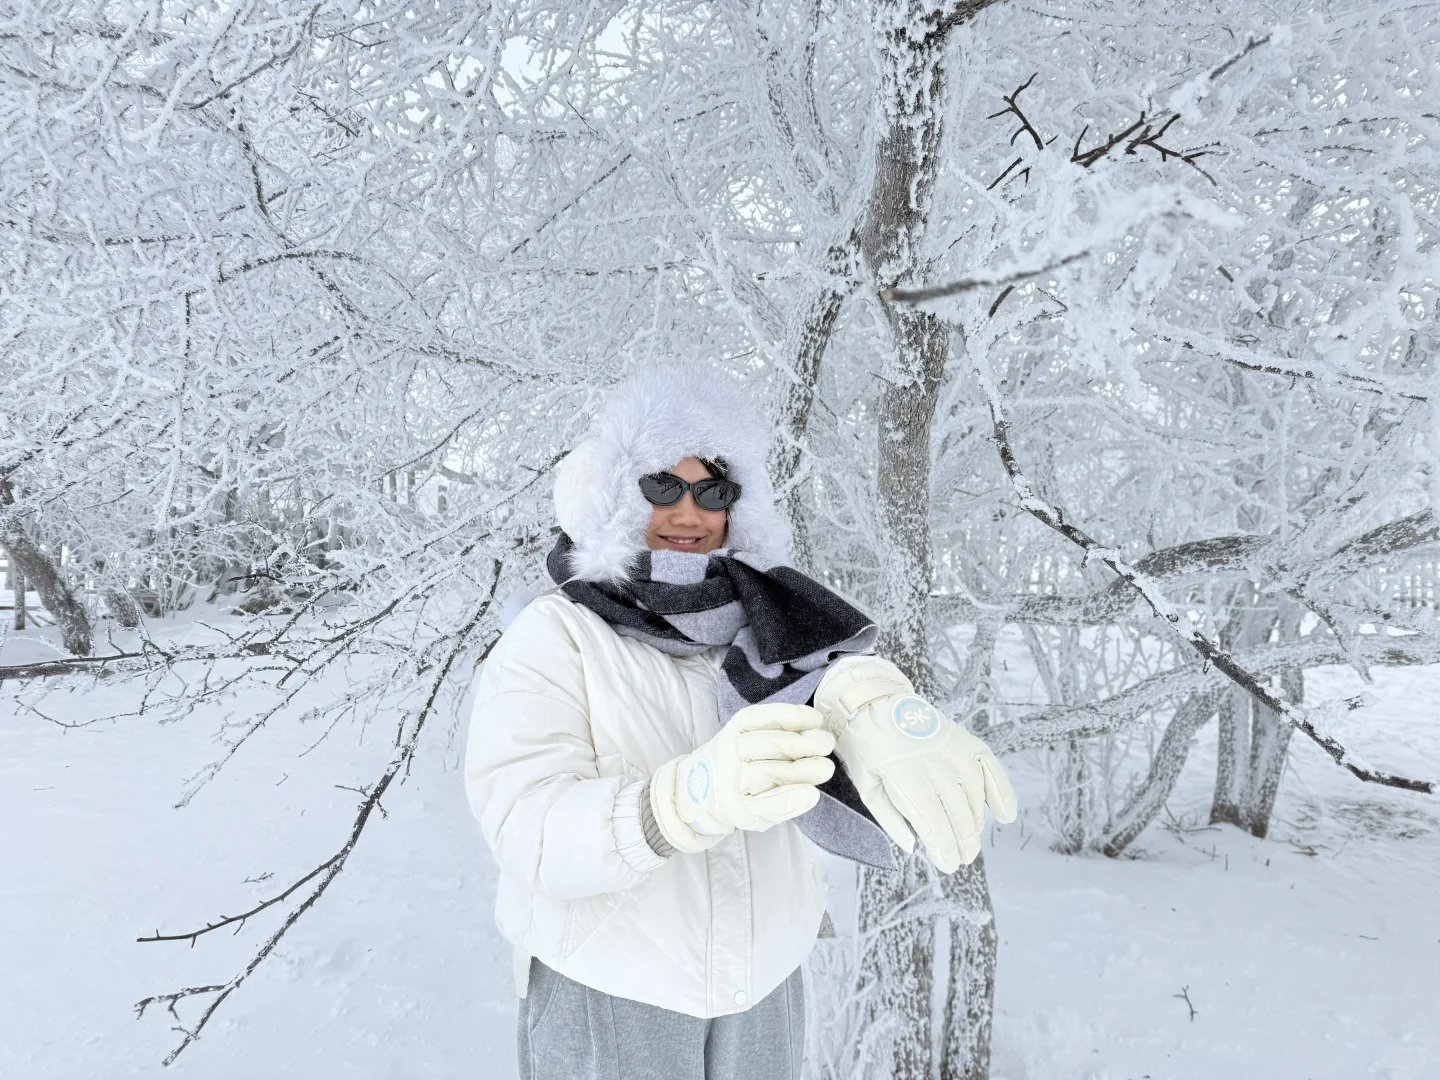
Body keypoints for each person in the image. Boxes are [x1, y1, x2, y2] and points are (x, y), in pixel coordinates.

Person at [464, 363, 1016, 1080]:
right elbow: (527, 826)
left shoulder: (773, 622)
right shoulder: (556, 635)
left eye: (712, 490)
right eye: (662, 485)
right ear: (613, 493)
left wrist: (874, 702)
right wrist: (687, 800)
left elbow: (833, 689)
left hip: (763, 988)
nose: (689, 512)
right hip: (611, 986)